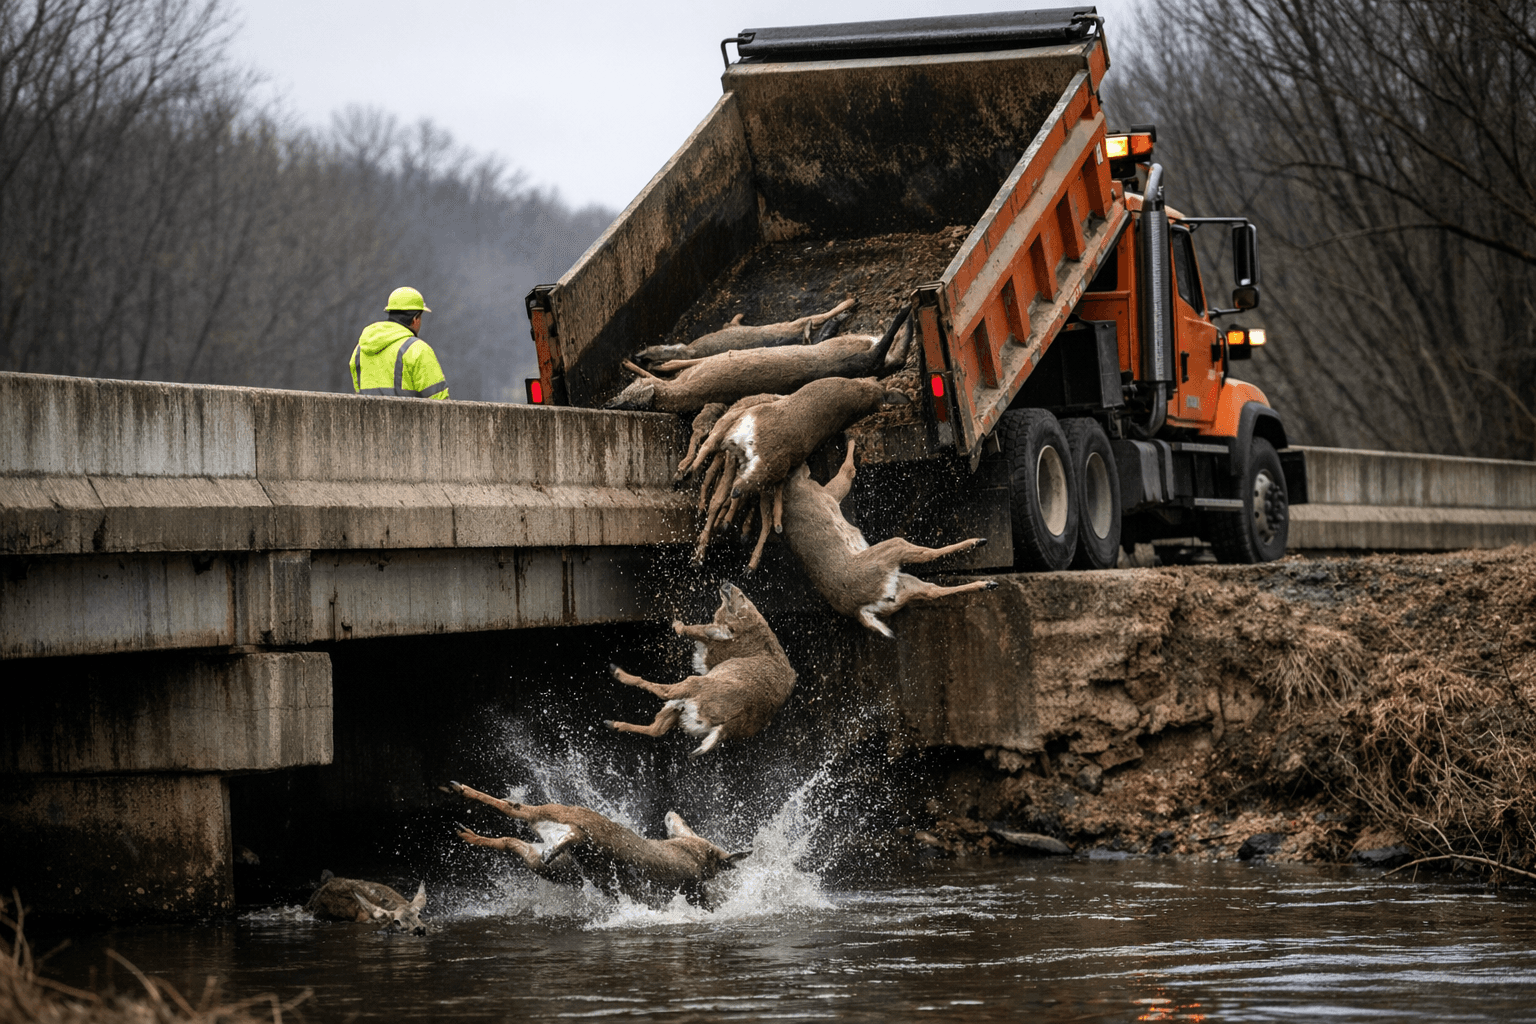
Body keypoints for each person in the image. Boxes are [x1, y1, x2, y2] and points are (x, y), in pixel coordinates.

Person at [350, 287, 449, 399]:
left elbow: (358, 393)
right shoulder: (418, 349)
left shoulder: (360, 349)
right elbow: (440, 402)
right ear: (415, 319)